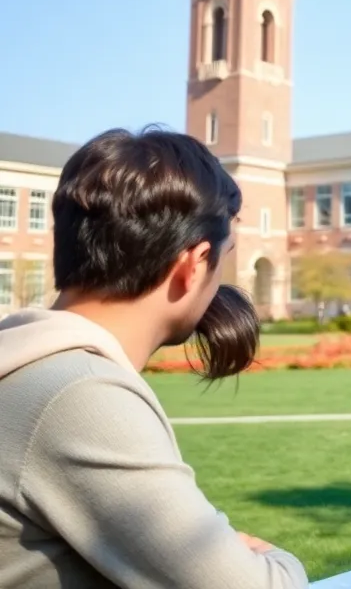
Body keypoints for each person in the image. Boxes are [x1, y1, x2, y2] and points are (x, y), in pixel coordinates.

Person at [0, 127, 308, 589]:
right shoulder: (80, 395)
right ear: (194, 263)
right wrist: (275, 558)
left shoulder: (32, 367)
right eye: (223, 258)